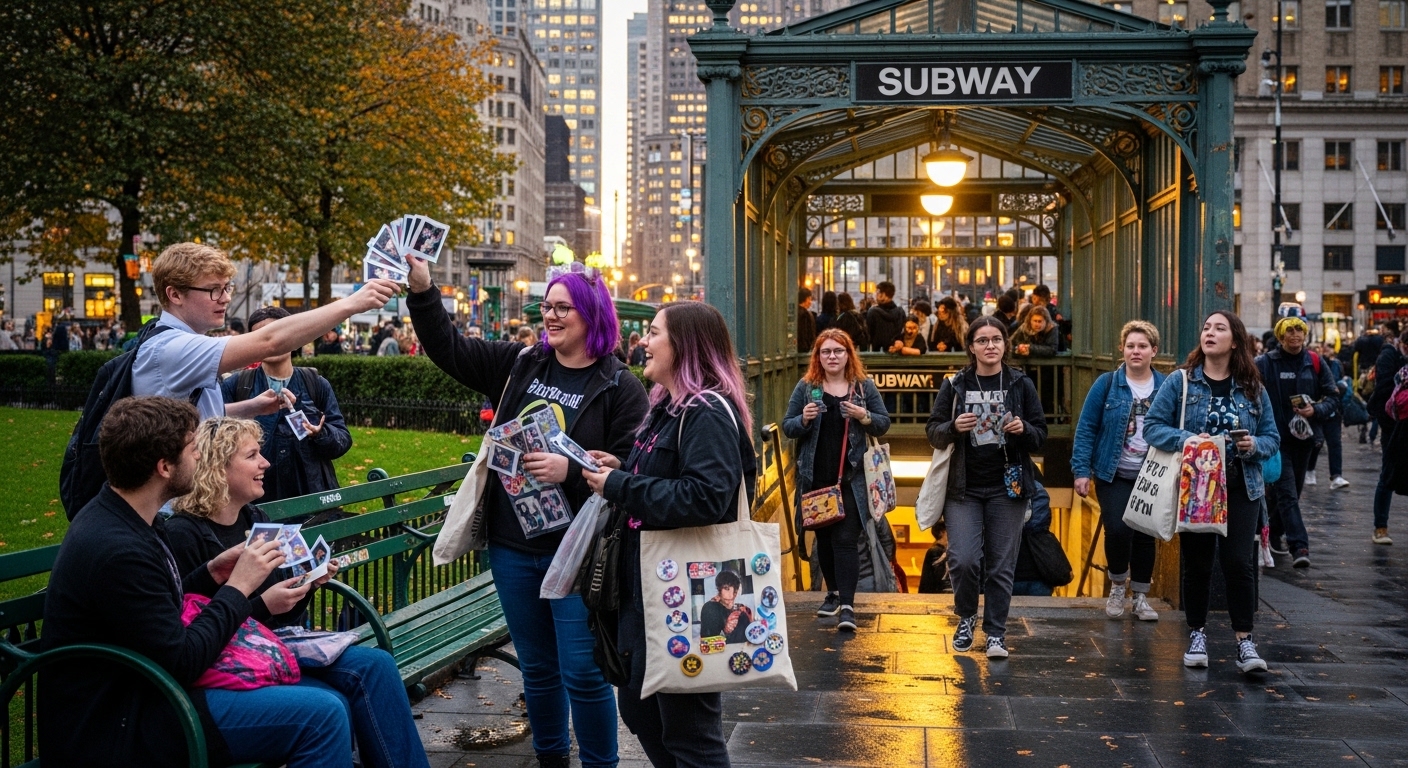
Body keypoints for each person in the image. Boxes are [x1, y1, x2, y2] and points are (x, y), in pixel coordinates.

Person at [406, 254, 648, 768]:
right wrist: (424, 290)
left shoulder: (619, 384)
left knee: (583, 674)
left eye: (564, 308)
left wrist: (574, 471)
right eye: (547, 307)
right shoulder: (521, 364)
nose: (551, 316)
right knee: (537, 670)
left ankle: (601, 764)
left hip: (579, 551)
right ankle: (551, 758)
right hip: (515, 546)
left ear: (592, 316)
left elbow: (633, 466)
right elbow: (448, 349)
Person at [41, 397, 369, 766]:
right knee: (322, 715)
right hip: (121, 722)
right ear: (164, 467)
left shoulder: (129, 517)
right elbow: (181, 661)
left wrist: (212, 572)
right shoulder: (120, 549)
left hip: (148, 692)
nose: (200, 459)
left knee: (334, 702)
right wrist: (238, 588)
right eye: (193, 450)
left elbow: (168, 608)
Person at [163, 416, 428, 768]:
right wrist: (260, 606)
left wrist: (305, 586)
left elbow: (280, 612)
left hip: (270, 645)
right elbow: (194, 625)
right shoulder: (184, 534)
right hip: (227, 662)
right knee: (333, 702)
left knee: (376, 664)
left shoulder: (252, 519)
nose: (266, 463)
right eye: (253, 455)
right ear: (219, 468)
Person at [582, 301, 755, 768]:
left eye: (654, 333)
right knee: (640, 709)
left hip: (688, 594)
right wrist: (622, 468)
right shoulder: (669, 407)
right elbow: (672, 476)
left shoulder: (706, 411)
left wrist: (620, 484)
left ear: (685, 346)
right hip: (653, 589)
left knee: (689, 730)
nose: (644, 341)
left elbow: (706, 498)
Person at [1144, 310, 1279, 675]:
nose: (1210, 333)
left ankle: (1244, 641)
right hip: (1198, 488)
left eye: (1219, 328)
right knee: (1199, 563)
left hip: (1241, 486)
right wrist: (1188, 439)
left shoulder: (1252, 387)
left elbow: (1272, 437)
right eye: (1206, 327)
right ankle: (1197, 634)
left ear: (1234, 340)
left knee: (1238, 563)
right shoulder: (1181, 383)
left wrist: (1253, 445)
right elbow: (1153, 428)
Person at [134, 242, 396, 419]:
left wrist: (252, 407)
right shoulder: (172, 349)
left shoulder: (176, 343)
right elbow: (270, 341)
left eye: (227, 287)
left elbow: (198, 418)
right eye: (214, 289)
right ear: (175, 294)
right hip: (174, 501)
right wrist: (350, 304)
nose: (225, 298)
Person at [925, 316, 1047, 659]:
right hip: (963, 489)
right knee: (963, 559)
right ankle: (966, 616)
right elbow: (933, 431)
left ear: (1005, 344)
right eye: (982, 340)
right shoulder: (955, 384)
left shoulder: (1020, 383)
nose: (990, 345)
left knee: (1001, 565)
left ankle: (995, 633)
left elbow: (1041, 436)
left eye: (996, 339)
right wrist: (953, 426)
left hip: (1006, 488)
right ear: (971, 347)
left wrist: (1024, 428)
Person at [782, 329, 894, 631]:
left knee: (845, 540)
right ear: (818, 356)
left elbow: (883, 423)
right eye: (826, 352)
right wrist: (803, 419)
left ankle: (847, 606)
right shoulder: (807, 388)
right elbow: (788, 427)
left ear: (848, 355)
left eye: (838, 351)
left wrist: (863, 415)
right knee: (826, 541)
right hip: (816, 480)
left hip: (853, 481)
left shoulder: (862, 388)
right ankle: (832, 593)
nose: (832, 356)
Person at [1071, 320, 1166, 621]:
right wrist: (1081, 471)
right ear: (1122, 350)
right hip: (1112, 473)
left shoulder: (1166, 387)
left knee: (1144, 534)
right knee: (1118, 529)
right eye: (1130, 346)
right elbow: (1087, 428)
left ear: (1153, 351)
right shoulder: (1107, 384)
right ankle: (1116, 585)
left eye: (1142, 346)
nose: (1135, 351)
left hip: (1150, 475)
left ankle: (1139, 597)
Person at [220, 307, 352, 504]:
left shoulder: (316, 384)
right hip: (254, 503)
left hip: (311, 501)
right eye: (261, 336)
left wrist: (320, 434)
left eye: (276, 334)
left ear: (293, 337)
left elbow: (342, 441)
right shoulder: (236, 386)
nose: (270, 343)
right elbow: (214, 444)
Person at [1254, 314, 1339, 568]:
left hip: (1305, 440)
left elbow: (1333, 395)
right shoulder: (1266, 363)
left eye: (1299, 331)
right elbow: (1250, 393)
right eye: (1289, 331)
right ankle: (1299, 546)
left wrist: (1316, 410)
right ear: (1281, 336)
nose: (1295, 335)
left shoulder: (1314, 361)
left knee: (1292, 494)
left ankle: (1271, 530)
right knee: (1288, 494)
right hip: (1277, 442)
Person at [1367, 328, 1408, 545]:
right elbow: (1383, 391)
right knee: (1388, 473)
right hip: (1395, 426)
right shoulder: (1389, 356)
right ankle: (1380, 527)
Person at [1306, 340, 1349, 489]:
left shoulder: (1336, 364)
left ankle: (1336, 475)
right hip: (1316, 408)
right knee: (1316, 443)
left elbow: (1339, 383)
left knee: (1335, 443)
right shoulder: (1309, 365)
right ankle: (1310, 470)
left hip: (1332, 409)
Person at [698, 569, 753, 643]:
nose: (731, 595)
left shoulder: (741, 610)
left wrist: (750, 618)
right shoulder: (710, 608)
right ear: (719, 589)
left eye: (735, 590)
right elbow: (707, 643)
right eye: (727, 588)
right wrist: (725, 631)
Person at [865, 281, 906, 352]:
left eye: (877, 293)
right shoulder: (900, 312)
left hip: (877, 353)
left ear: (883, 295)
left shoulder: (873, 312)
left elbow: (869, 334)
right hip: (896, 352)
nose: (875, 295)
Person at [797, 287, 817, 353]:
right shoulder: (805, 314)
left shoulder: (795, 313)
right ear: (806, 299)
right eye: (810, 299)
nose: (810, 302)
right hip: (804, 349)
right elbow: (807, 333)